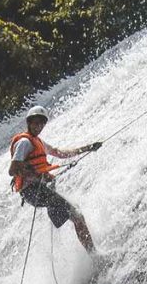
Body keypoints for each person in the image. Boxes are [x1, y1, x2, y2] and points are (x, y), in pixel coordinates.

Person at [9, 106, 102, 254]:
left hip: (39, 190)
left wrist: (88, 148)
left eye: (42, 123)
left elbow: (59, 153)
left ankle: (92, 253)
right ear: (29, 122)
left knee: (77, 214)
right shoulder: (25, 143)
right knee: (77, 216)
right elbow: (12, 170)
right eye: (36, 122)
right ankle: (95, 256)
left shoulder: (38, 141)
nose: (39, 126)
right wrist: (35, 174)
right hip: (32, 191)